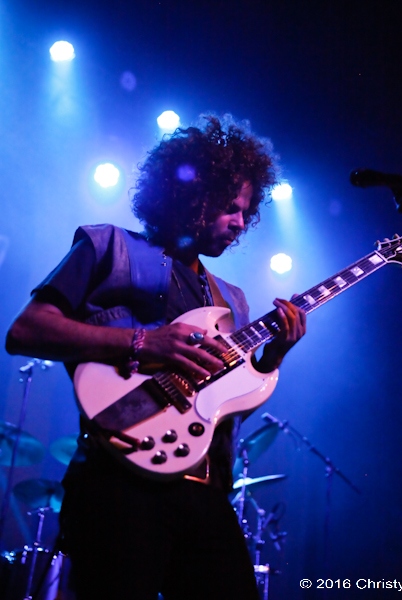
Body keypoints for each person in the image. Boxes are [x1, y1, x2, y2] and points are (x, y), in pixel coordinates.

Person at [6, 115, 306, 599]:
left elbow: (221, 408)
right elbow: (26, 331)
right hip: (118, 484)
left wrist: (271, 358)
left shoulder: (232, 301)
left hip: (206, 491)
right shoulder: (107, 246)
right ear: (193, 196)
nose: (240, 223)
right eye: (230, 207)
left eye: (247, 213)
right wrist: (143, 343)